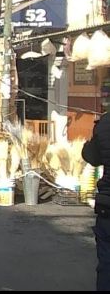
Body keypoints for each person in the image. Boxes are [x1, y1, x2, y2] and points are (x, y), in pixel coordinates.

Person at [83, 113, 110, 291]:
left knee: (107, 266)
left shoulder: (105, 123)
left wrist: (88, 143)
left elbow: (91, 157)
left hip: (107, 206)